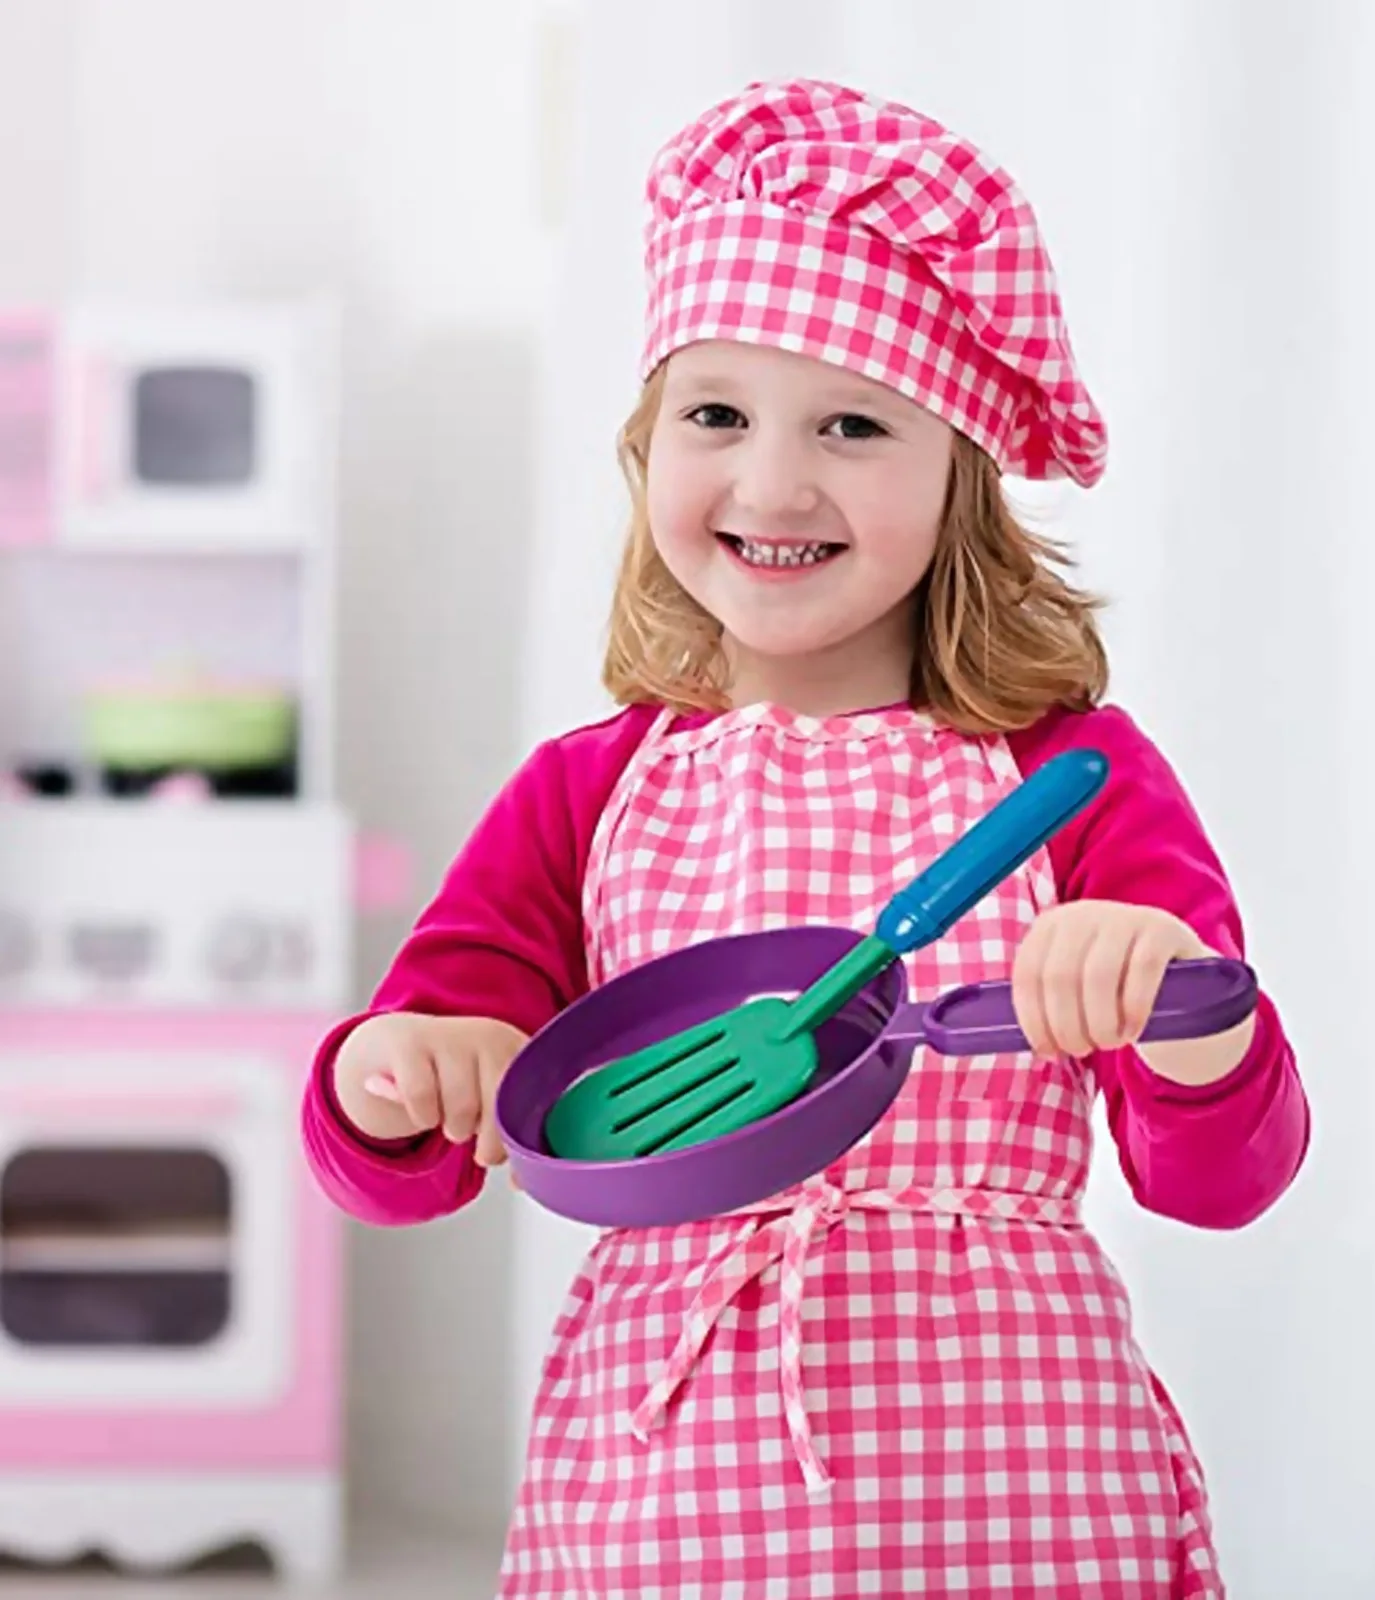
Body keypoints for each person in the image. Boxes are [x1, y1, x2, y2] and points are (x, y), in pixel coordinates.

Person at [303, 77, 1310, 1598]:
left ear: (959, 471)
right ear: (646, 448)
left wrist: (1177, 1006)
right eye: (716, 413)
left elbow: (1223, 1176)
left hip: (1017, 1487)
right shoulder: (586, 794)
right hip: (669, 1502)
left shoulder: (1077, 777)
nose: (773, 482)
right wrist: (395, 1074)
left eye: (852, 422)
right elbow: (403, 1159)